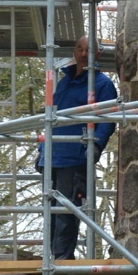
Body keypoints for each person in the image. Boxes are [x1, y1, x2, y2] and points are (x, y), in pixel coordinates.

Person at [37, 36, 118, 260]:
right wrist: (41, 152)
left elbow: (107, 119)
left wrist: (97, 146)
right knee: (50, 211)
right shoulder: (63, 83)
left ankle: (62, 259)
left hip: (73, 157)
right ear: (74, 52)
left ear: (98, 55)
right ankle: (51, 256)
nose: (83, 54)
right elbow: (50, 118)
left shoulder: (102, 84)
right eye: (80, 49)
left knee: (66, 210)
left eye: (89, 50)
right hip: (52, 156)